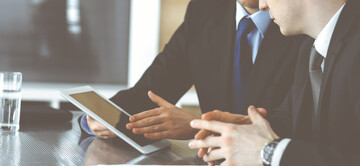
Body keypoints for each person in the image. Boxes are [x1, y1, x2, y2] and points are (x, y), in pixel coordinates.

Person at [189, 0, 360, 166]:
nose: (262, 5)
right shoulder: (310, 49)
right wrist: (243, 132)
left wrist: (269, 153)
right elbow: (294, 121)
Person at [80, 0, 303, 140]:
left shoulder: (304, 22)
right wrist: (101, 117)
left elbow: (300, 124)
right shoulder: (204, 10)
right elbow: (150, 92)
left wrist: (197, 125)